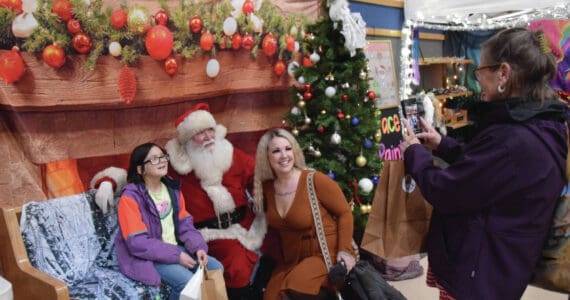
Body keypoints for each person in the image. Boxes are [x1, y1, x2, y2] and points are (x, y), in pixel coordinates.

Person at [401, 27, 568, 300]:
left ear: (503, 73)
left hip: (481, 271)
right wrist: (443, 145)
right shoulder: (540, 123)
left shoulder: (512, 139)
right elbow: (487, 170)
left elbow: (446, 190)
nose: (478, 82)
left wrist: (415, 153)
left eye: (480, 72)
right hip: (505, 264)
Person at [91, 103, 268, 300]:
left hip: (242, 224)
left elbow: (258, 176)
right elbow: (133, 174)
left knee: (267, 245)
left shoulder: (225, 156)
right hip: (195, 239)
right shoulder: (159, 178)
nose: (209, 137)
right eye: (200, 133)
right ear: (188, 140)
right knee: (230, 265)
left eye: (210, 130)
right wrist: (107, 181)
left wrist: (264, 197)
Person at [252, 128, 356, 300]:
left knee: (298, 286)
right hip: (292, 259)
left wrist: (344, 252)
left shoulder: (314, 180)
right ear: (267, 157)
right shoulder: (267, 189)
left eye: (288, 148)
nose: (284, 155)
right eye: (276, 151)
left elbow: (345, 213)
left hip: (324, 254)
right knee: (271, 296)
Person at [115, 142, 223, 300]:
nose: (162, 161)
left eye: (163, 156)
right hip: (148, 257)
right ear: (140, 169)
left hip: (175, 249)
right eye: (154, 159)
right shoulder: (130, 198)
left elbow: (186, 225)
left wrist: (198, 247)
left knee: (215, 269)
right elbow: (137, 243)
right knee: (187, 282)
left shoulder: (172, 190)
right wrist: (176, 256)